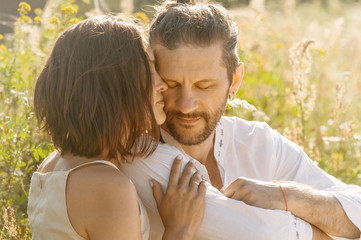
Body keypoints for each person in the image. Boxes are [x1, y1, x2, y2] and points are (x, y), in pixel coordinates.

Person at [120, 0, 361, 239]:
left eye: (204, 86)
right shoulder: (139, 152)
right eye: (171, 84)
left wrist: (285, 195)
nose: (186, 104)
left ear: (235, 80)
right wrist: (327, 231)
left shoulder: (258, 141)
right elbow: (262, 233)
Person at [27, 15, 207, 240]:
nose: (162, 84)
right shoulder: (108, 187)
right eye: (149, 69)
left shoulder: (54, 163)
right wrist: (180, 230)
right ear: (114, 83)